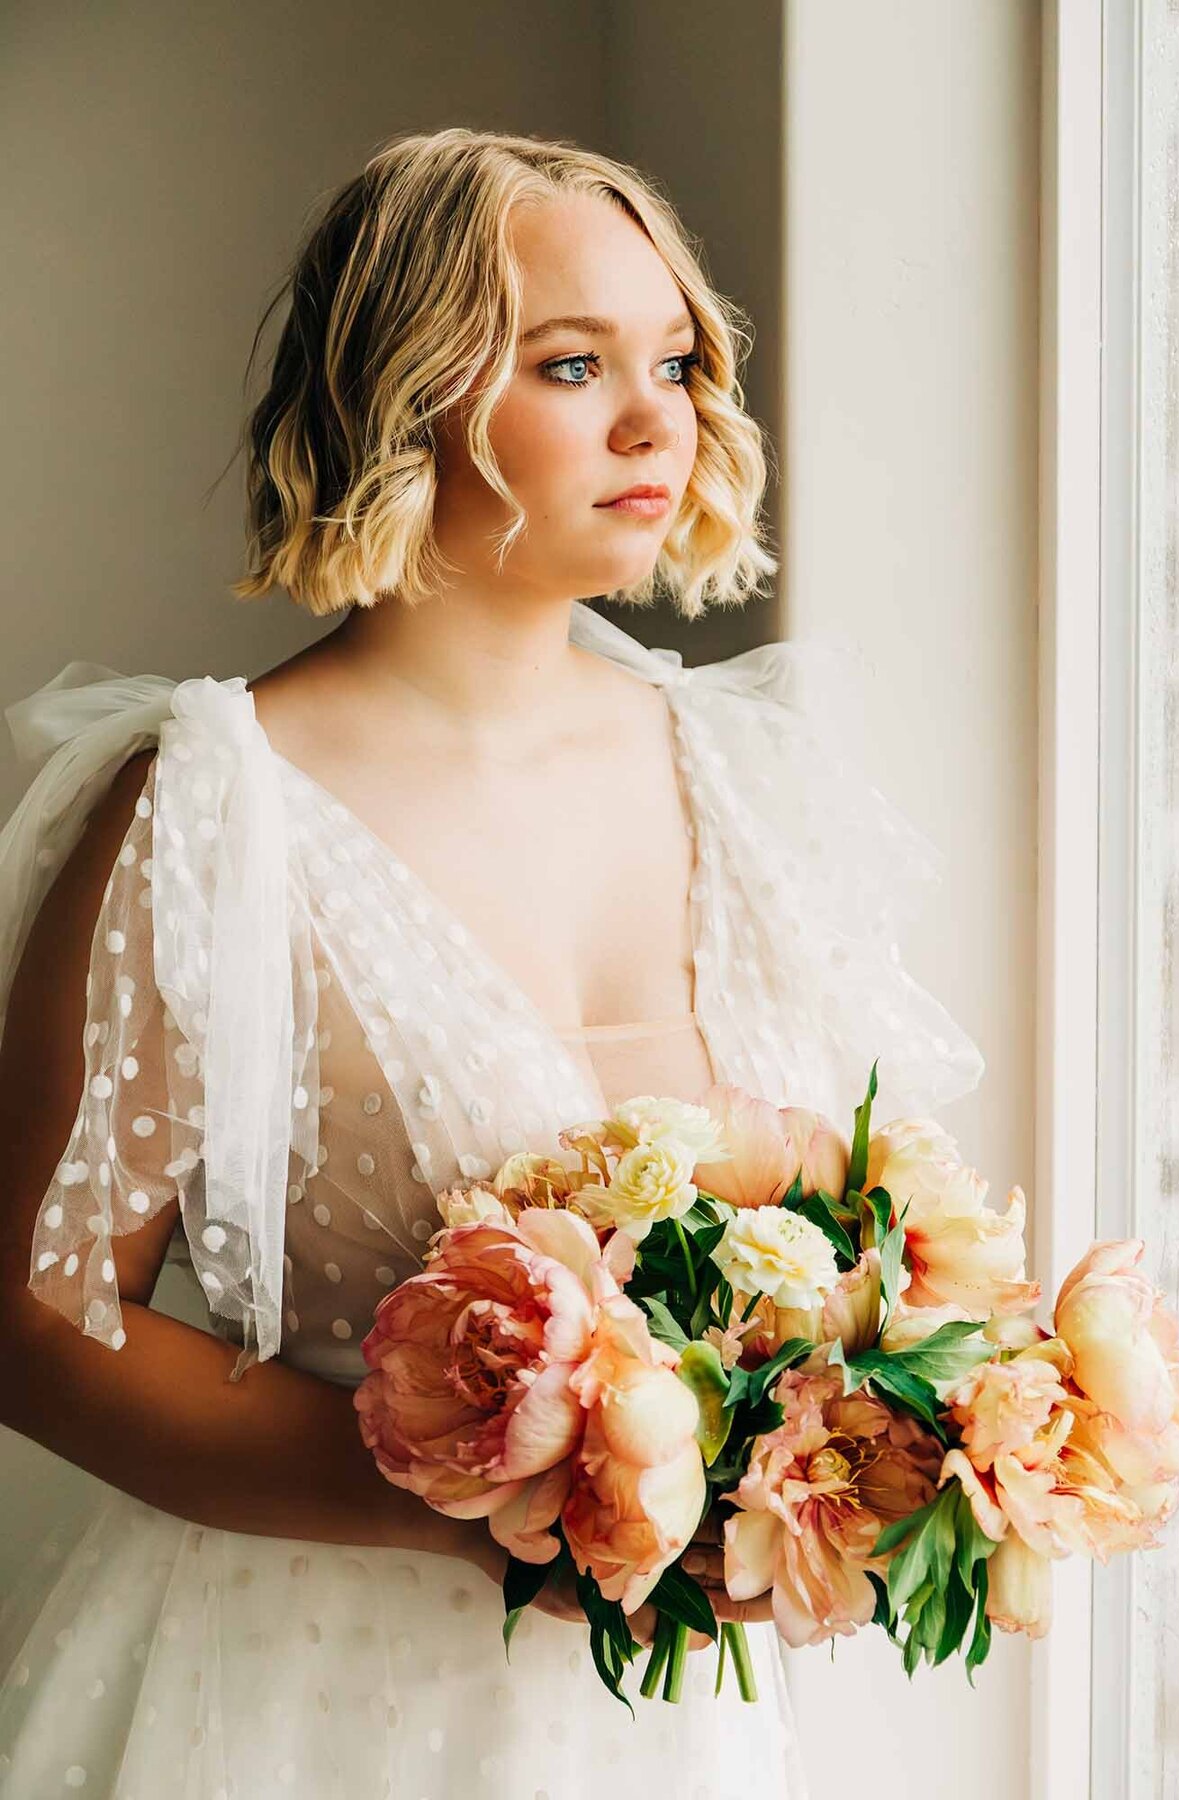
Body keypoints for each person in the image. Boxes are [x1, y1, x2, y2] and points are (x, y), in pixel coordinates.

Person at [0, 127, 984, 1798]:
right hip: (310, 1690)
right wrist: (452, 1500)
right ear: (406, 391)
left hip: (686, 1711)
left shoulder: (748, 774)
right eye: (573, 363)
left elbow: (865, 1218)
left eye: (675, 360)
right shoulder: (217, 808)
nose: (655, 415)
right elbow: (33, 1316)